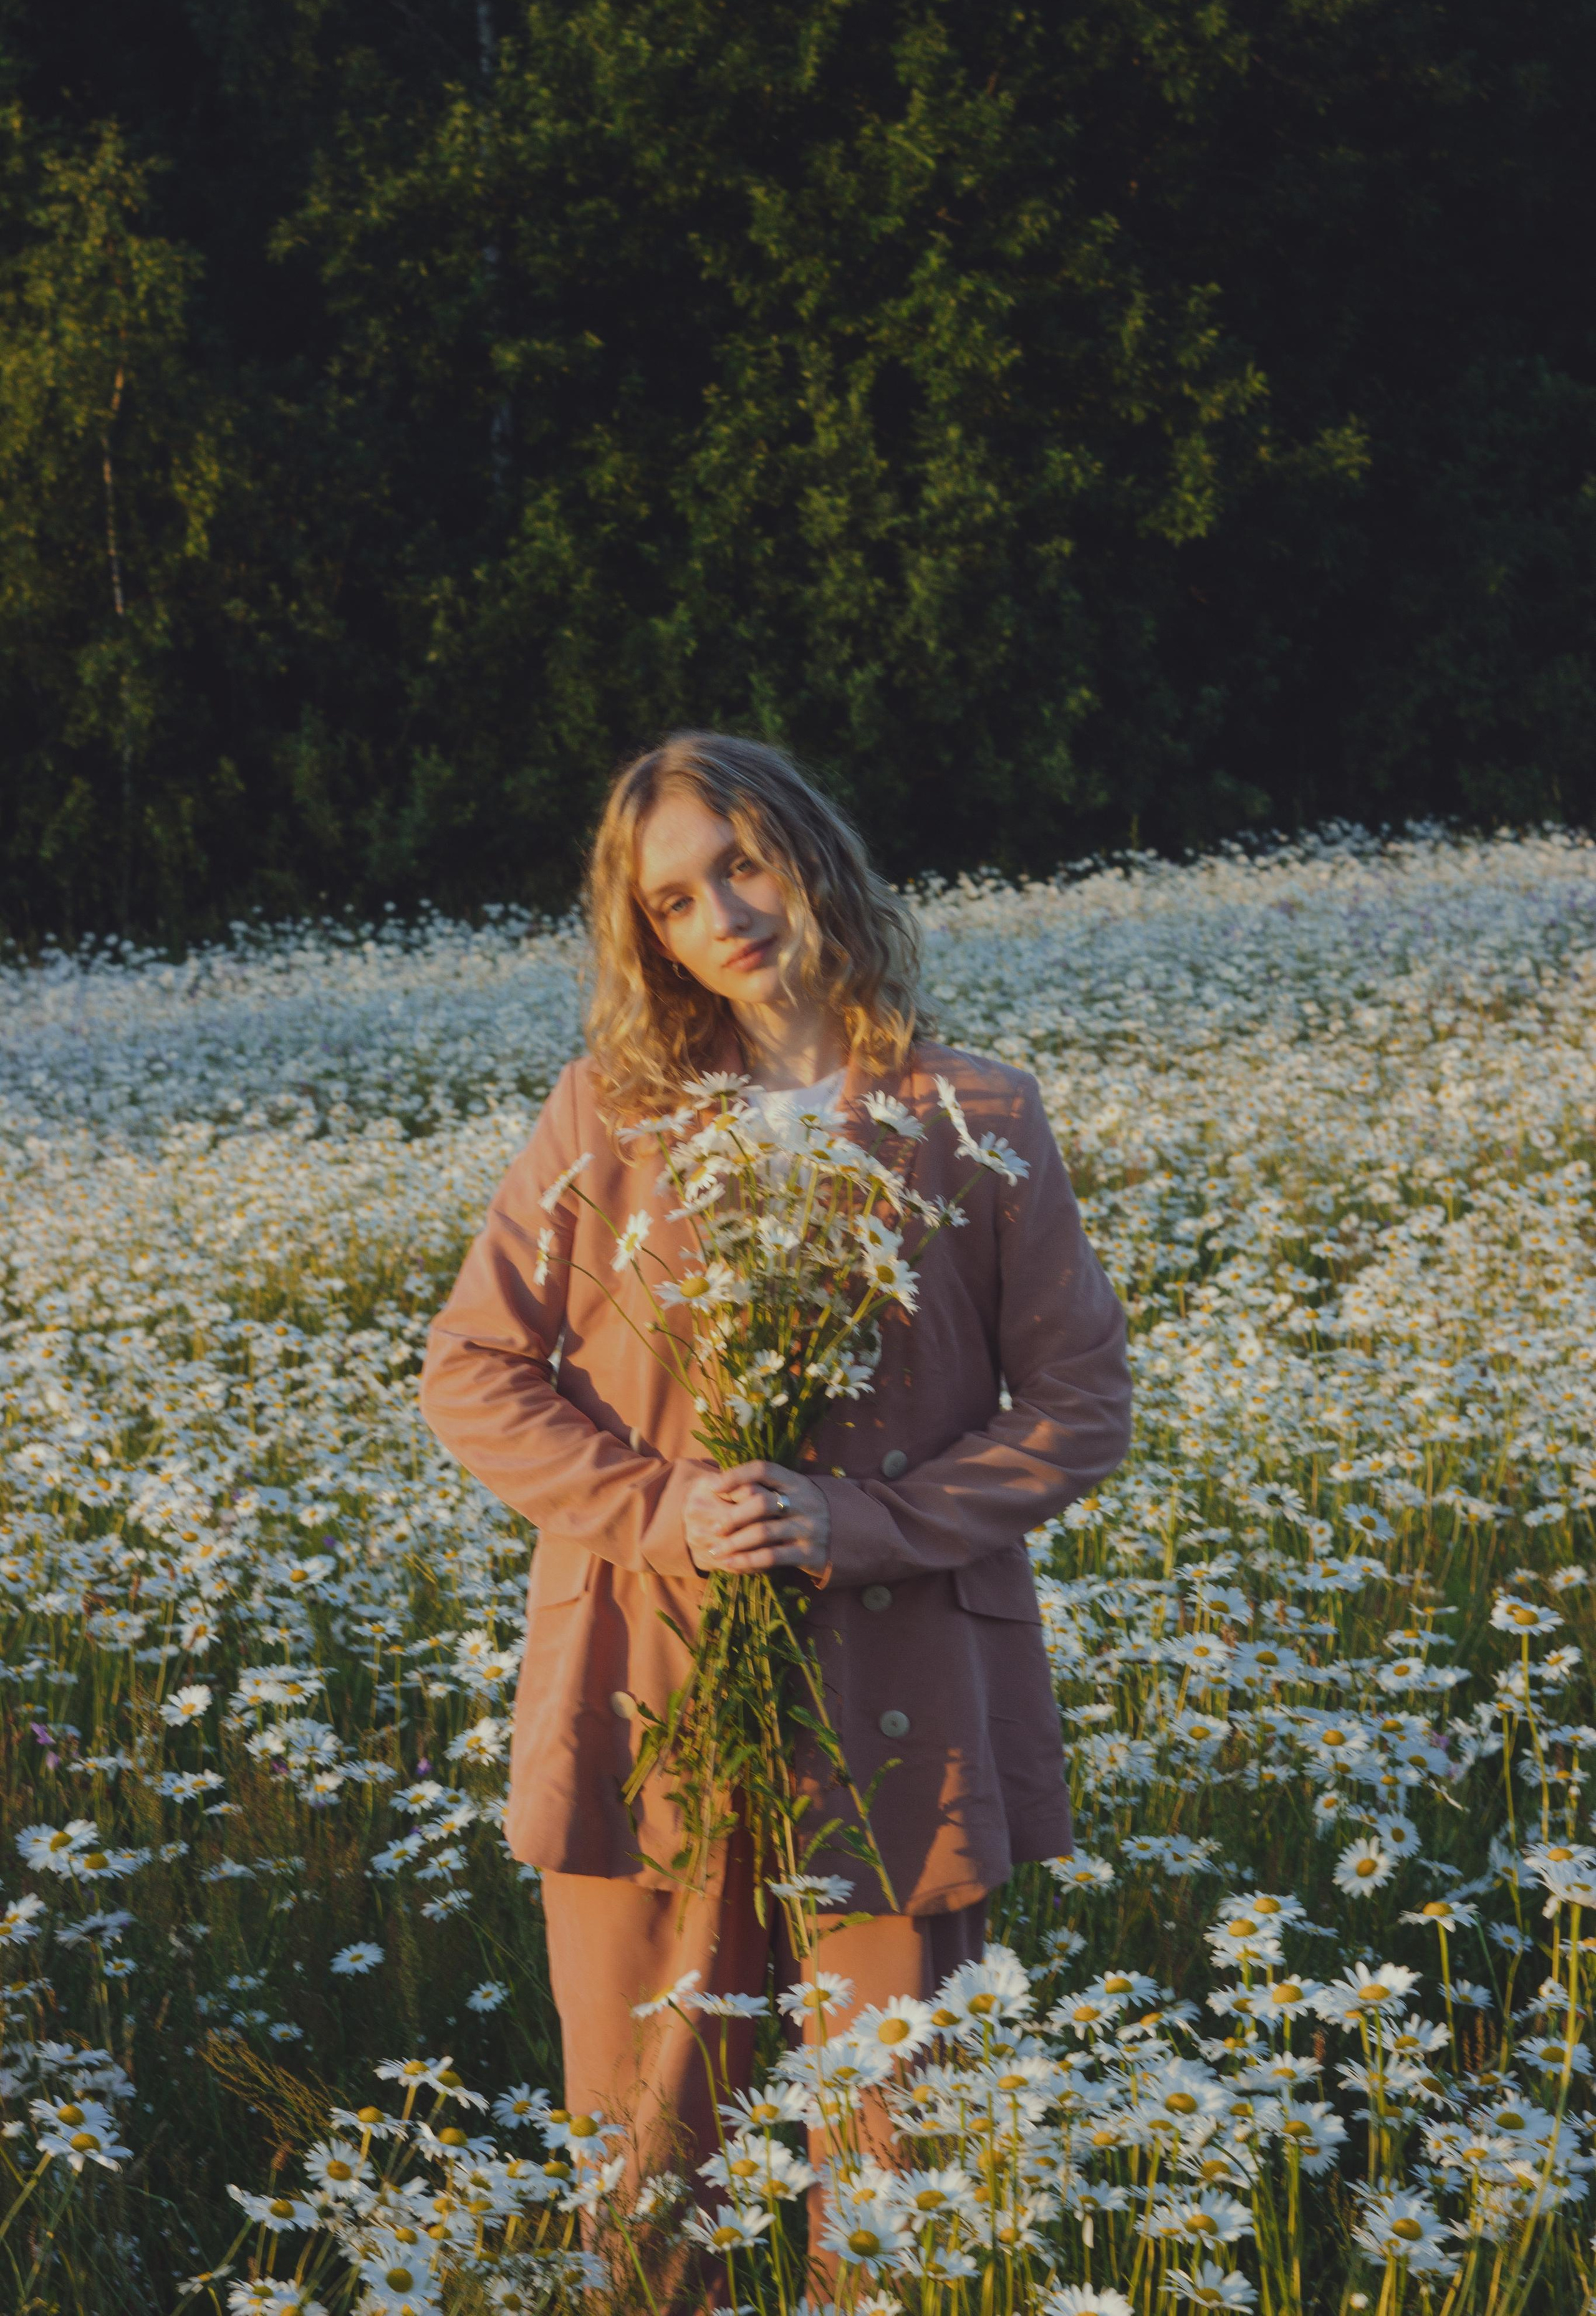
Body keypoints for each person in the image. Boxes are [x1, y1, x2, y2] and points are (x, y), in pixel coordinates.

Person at [418, 731, 1132, 2243]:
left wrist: (862, 1523)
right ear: (646, 936)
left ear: (809, 854)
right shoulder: (608, 1115)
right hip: (648, 1674)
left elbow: (1076, 1404)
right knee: (647, 2157)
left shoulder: (977, 1118)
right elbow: (474, 1370)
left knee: (892, 2159)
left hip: (901, 1686)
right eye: (672, 900)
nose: (720, 915)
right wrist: (661, 1508)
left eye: (738, 863)